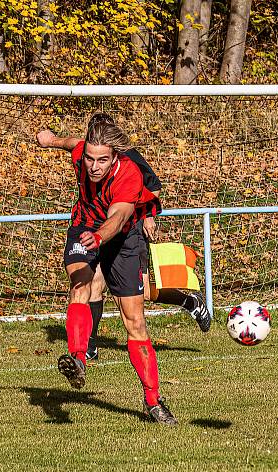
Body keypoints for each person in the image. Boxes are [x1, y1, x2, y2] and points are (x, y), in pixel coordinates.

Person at [36, 120, 178, 425]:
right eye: (89, 158)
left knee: (135, 322)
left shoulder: (129, 174)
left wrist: (100, 237)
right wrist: (50, 140)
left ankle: (153, 402)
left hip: (122, 238)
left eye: (102, 160)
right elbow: (72, 143)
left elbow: (119, 215)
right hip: (84, 228)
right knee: (80, 286)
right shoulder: (81, 153)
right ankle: (77, 357)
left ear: (115, 156)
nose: (94, 166)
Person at [40, 113, 211, 364]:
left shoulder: (128, 158)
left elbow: (153, 185)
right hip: (96, 229)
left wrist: (146, 216)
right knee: (91, 284)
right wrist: (51, 140)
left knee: (143, 294)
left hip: (129, 227)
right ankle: (88, 346)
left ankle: (187, 300)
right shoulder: (88, 152)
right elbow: (71, 143)